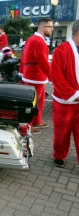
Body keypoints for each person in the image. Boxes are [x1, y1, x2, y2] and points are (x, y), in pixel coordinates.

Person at [51, 19, 79, 168]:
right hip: (65, 102)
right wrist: (74, 95)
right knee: (62, 132)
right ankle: (59, 154)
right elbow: (57, 77)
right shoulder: (61, 50)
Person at [21, 18, 53, 135]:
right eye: (50, 26)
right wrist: (52, 78)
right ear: (42, 28)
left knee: (38, 101)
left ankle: (36, 121)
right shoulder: (39, 42)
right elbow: (43, 62)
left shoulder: (32, 39)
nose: (52, 29)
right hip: (36, 75)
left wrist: (21, 71)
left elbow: (23, 56)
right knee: (34, 102)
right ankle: (28, 126)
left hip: (32, 73)